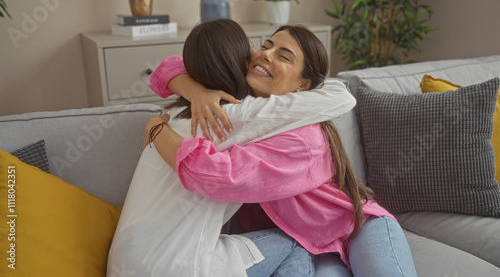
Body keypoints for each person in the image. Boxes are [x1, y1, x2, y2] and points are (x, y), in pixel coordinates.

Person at [146, 21, 418, 276]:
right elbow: (169, 66)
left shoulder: (302, 140)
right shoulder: (245, 108)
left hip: (358, 229)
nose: (266, 54)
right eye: (265, 46)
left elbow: (217, 176)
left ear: (303, 85)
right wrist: (196, 92)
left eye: (283, 56)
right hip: (307, 244)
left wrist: (156, 130)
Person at [108, 19, 357, 277]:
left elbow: (167, 66)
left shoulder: (174, 112)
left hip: (123, 259)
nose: (261, 54)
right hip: (174, 265)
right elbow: (340, 96)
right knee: (299, 243)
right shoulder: (237, 116)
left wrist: (186, 98)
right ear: (240, 61)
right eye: (256, 49)